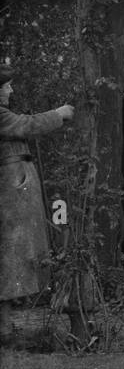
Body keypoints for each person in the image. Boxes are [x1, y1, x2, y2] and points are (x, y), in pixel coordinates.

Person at [0, 62, 74, 342]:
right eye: (6, 85)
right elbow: (25, 125)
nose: (10, 89)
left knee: (11, 256)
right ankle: (4, 328)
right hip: (9, 190)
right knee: (9, 255)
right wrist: (58, 114)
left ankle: (5, 325)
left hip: (13, 185)